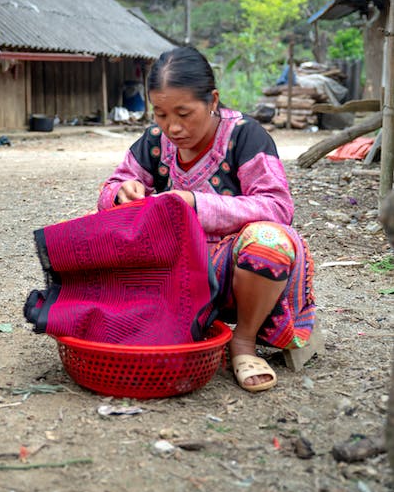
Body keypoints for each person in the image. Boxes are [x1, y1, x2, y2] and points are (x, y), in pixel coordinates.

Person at [97, 46, 316, 393]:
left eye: (184, 113)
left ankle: (243, 341)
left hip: (238, 271)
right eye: (161, 114)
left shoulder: (245, 136)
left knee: (269, 242)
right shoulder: (154, 143)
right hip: (178, 271)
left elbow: (277, 207)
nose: (173, 127)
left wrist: (195, 204)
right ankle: (165, 327)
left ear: (212, 100)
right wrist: (123, 191)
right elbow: (111, 188)